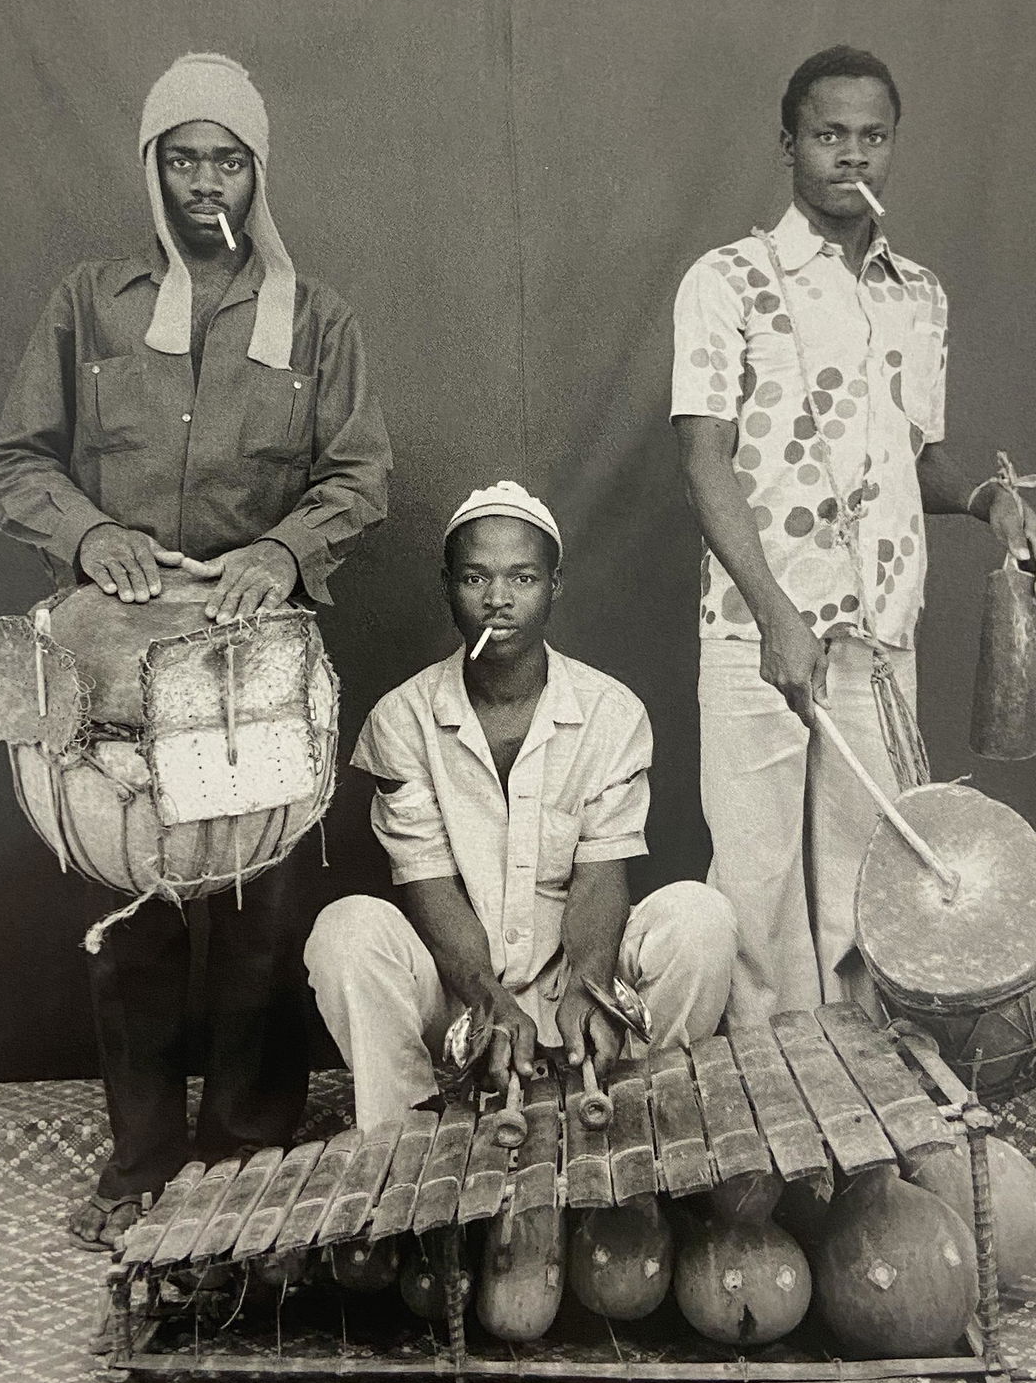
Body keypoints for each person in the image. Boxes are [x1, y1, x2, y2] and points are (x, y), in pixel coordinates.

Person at [0, 52, 391, 1248]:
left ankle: (249, 1147)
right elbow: (15, 463)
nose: (205, 180)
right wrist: (90, 528)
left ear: (259, 172)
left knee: (260, 910)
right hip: (111, 666)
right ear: (151, 167)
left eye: (228, 158)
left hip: (249, 658)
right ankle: (144, 1157)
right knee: (139, 911)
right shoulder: (89, 304)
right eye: (183, 156)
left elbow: (360, 473)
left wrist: (287, 549)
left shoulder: (316, 318)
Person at [671, 45, 1036, 1019]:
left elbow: (912, 460)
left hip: (880, 638)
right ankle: (763, 1133)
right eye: (828, 134)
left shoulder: (917, 296)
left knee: (870, 883)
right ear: (788, 144)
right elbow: (703, 457)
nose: (851, 156)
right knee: (755, 890)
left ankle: (864, 1118)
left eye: (871, 137)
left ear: (892, 146)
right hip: (755, 633)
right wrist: (773, 617)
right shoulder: (727, 282)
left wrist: (990, 502)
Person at [304, 482, 739, 1129]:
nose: (498, 600)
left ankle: (634, 1107)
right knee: (345, 931)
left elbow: (602, 875)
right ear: (447, 585)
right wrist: (486, 1000)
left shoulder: (610, 713)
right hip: (461, 1000)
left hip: (577, 994)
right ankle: (412, 1140)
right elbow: (428, 885)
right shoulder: (402, 719)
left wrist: (591, 986)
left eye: (523, 577)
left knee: (702, 917)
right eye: (476, 577)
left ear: (555, 585)